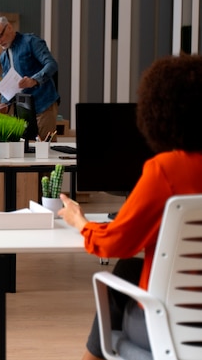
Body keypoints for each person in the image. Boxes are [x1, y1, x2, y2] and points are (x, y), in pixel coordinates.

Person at [57, 54, 202, 360]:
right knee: (129, 269)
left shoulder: (167, 169)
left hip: (177, 329)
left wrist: (79, 221)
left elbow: (115, 244)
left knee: (119, 277)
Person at [0, 16, 60, 141]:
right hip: (23, 109)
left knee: (46, 151)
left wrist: (34, 80)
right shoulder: (4, 56)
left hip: (43, 104)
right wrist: (4, 103)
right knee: (25, 151)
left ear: (9, 27)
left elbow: (51, 64)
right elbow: (8, 81)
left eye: (0, 36)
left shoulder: (31, 41)